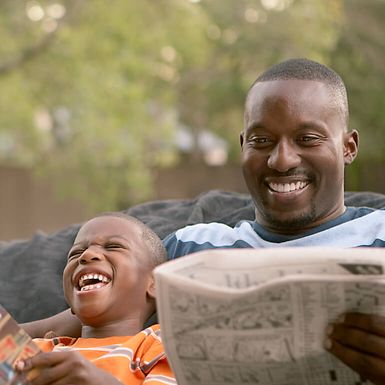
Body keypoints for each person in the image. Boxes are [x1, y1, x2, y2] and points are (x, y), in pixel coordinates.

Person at [23, 58, 385, 383]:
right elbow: (67, 324)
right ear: (242, 145)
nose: (282, 160)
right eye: (261, 140)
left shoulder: (379, 235)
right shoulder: (191, 247)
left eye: (307, 138)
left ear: (348, 146)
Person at [18, 212, 176, 385]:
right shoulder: (41, 349)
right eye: (75, 253)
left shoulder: (162, 346)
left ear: (154, 283)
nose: (86, 255)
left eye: (113, 246)